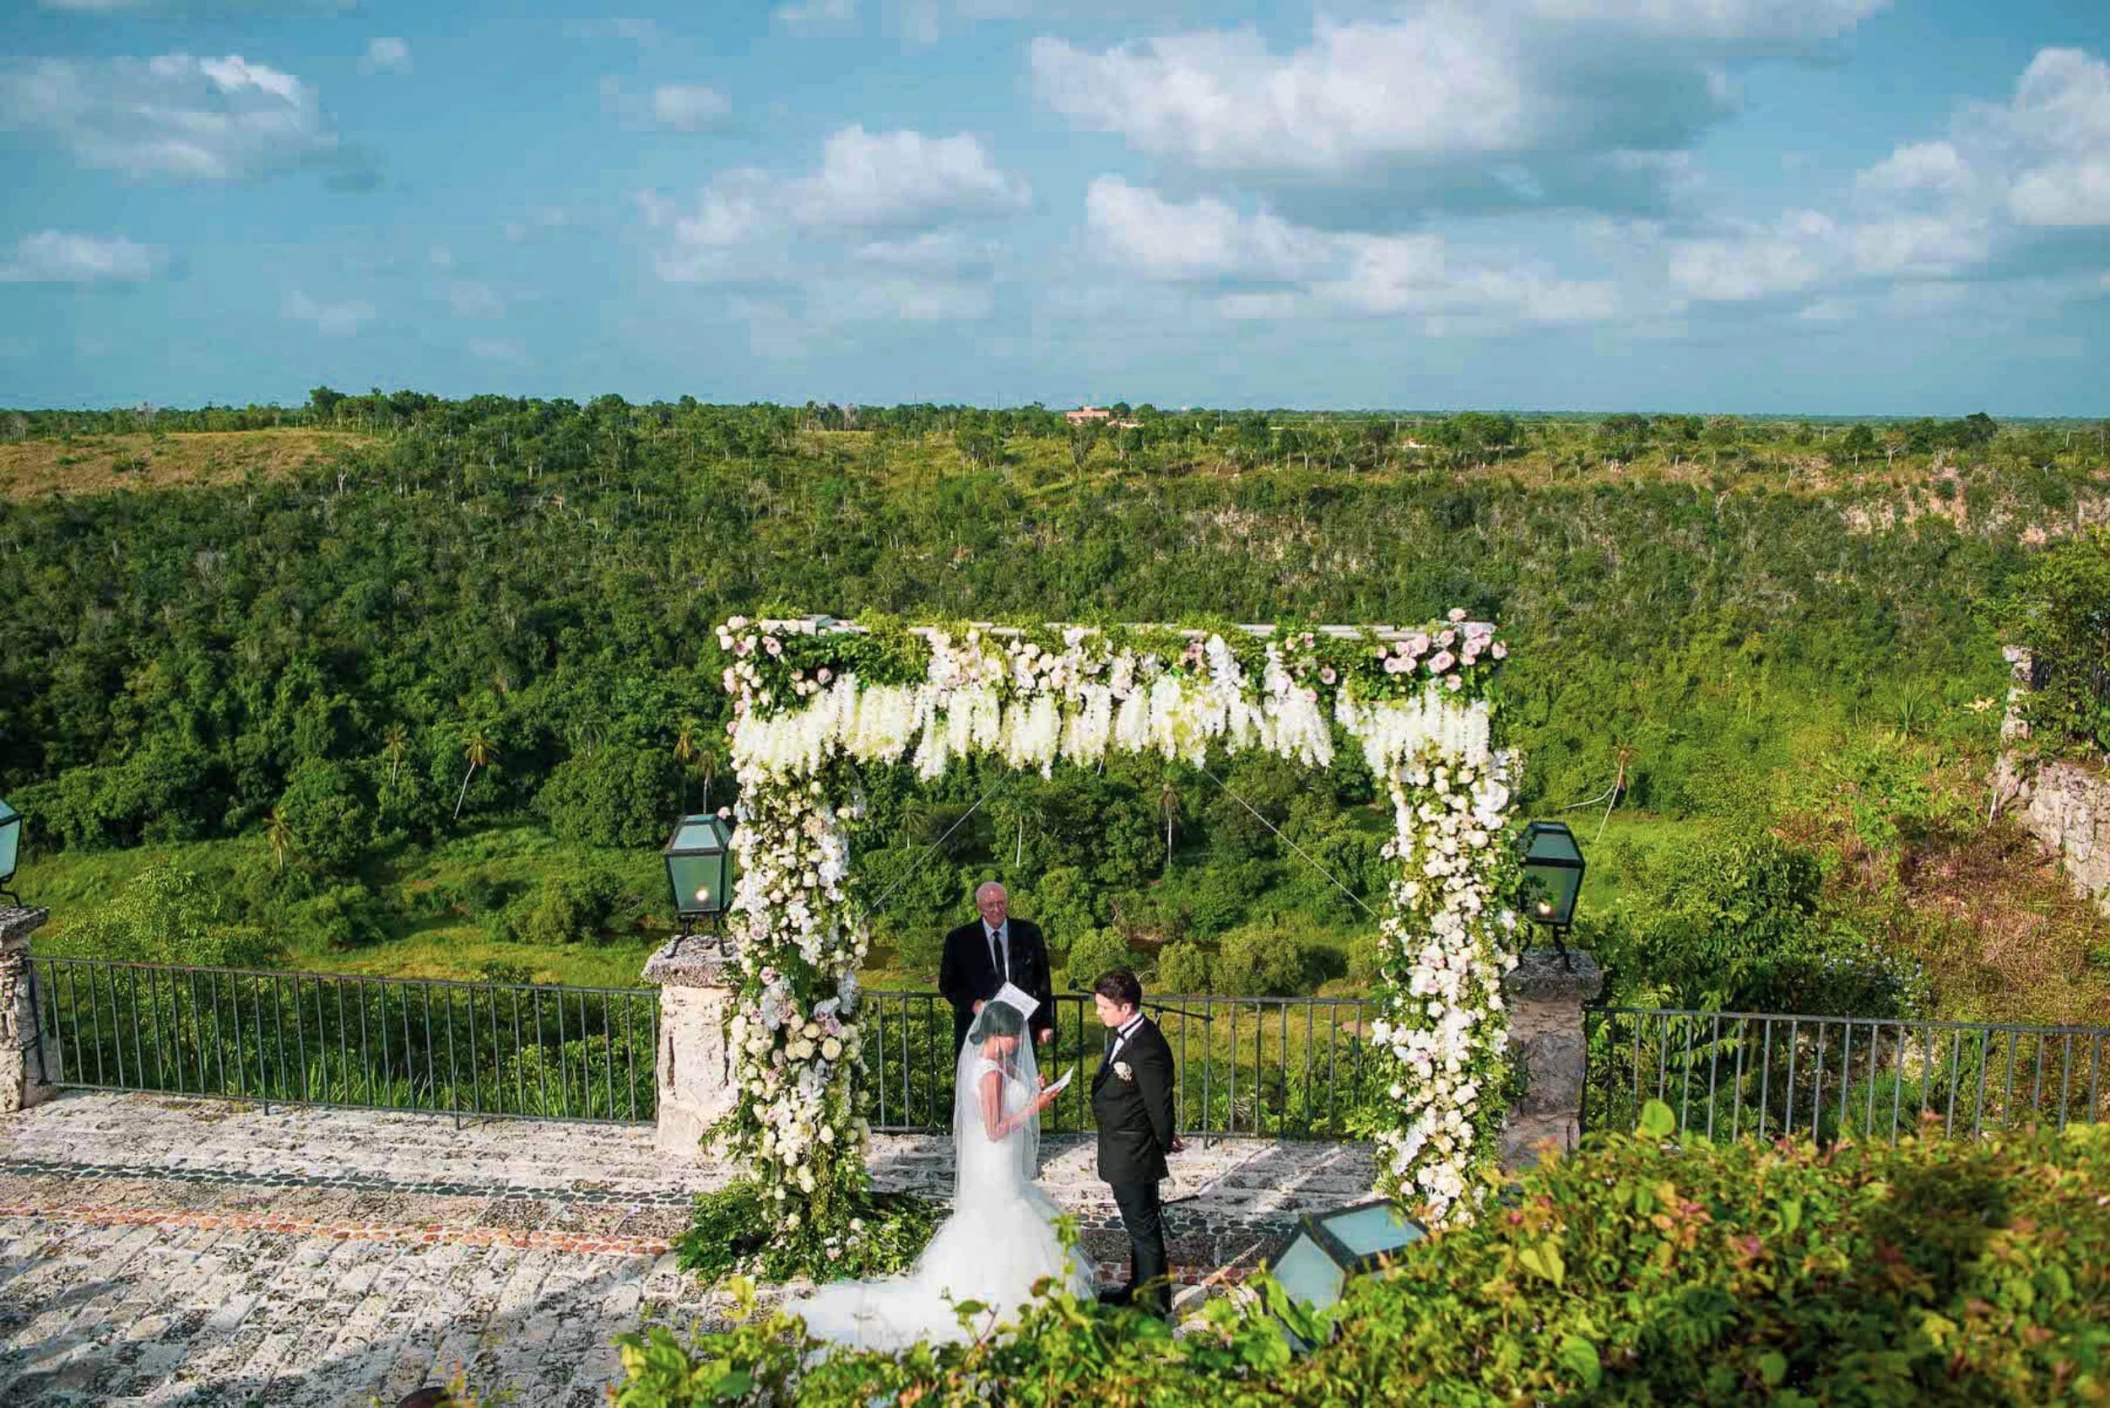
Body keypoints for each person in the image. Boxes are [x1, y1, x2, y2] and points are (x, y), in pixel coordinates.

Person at [789, 993, 1093, 1352]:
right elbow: (995, 1128)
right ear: (999, 1034)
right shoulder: (990, 1074)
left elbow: (1017, 1091)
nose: (1019, 1043)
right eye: (1015, 1036)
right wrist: (1034, 1107)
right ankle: (1001, 1299)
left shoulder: (999, 1064)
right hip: (996, 1162)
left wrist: (1035, 1089)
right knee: (1007, 1222)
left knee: (1004, 1221)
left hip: (1000, 1161)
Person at [1089, 968, 1181, 1318]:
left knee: (1144, 1229)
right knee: (1136, 1226)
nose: (1098, 1012)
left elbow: (1159, 1102)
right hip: (1121, 1146)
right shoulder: (1125, 1033)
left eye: (1103, 1007)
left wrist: (1164, 1139)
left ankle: (1156, 1306)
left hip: (1134, 1152)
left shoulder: (1147, 1046)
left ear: (1125, 1007)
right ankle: (1136, 1289)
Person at [938, 883, 1054, 1058]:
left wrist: (1045, 1023)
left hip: (1020, 1031)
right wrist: (973, 1003)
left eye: (1000, 903)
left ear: (1007, 903)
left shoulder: (1029, 933)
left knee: (1020, 1084)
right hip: (979, 1030)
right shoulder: (959, 939)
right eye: (990, 905)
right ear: (979, 907)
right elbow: (947, 985)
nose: (996, 909)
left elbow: (1043, 981)